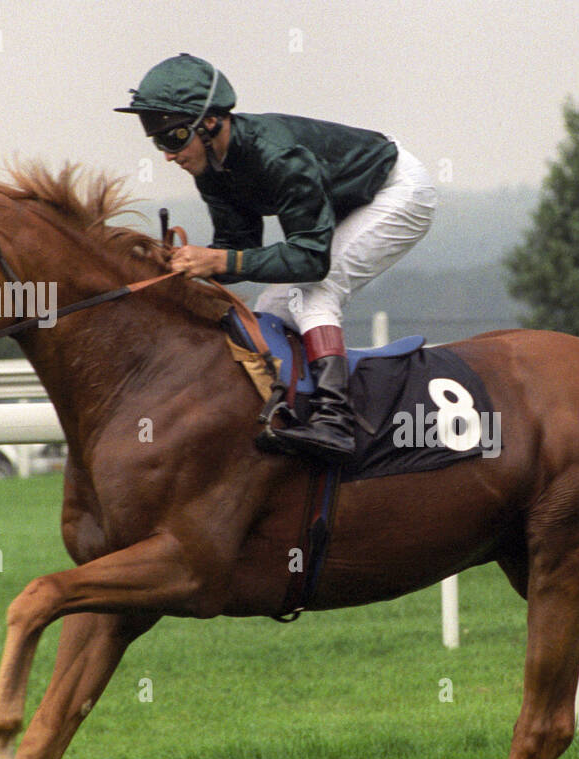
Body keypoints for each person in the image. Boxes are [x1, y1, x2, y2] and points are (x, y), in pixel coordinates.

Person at [116, 53, 437, 464]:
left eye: (175, 138)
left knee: (314, 293)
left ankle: (335, 419)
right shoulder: (211, 171)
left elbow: (310, 261)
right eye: (159, 142)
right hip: (346, 203)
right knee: (271, 307)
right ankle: (295, 409)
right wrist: (184, 265)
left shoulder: (278, 156)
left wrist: (216, 262)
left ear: (211, 122)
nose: (167, 155)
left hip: (396, 192)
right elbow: (238, 249)